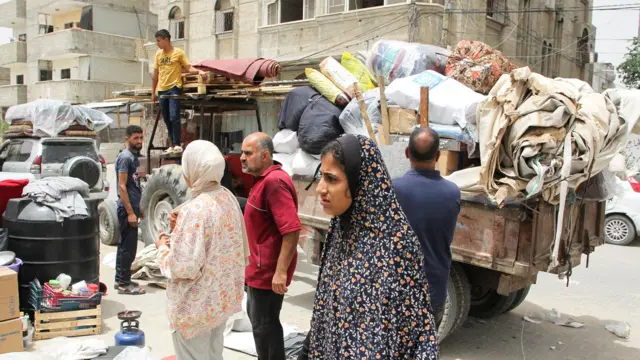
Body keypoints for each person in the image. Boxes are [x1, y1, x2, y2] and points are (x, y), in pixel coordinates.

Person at [307, 134, 439, 359]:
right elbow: (324, 308)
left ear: (362, 181)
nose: (320, 188)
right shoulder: (339, 230)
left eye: (331, 179)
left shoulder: (396, 244)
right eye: (321, 177)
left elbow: (419, 334)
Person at [156, 140, 248, 360]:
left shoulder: (195, 210)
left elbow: (183, 267)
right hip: (219, 300)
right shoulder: (227, 196)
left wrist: (163, 248)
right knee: (214, 354)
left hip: (195, 308)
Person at [241, 132, 301, 360]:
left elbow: (292, 229)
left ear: (265, 155)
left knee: (265, 328)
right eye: (243, 153)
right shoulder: (262, 180)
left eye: (248, 153)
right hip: (257, 270)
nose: (242, 158)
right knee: (262, 326)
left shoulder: (274, 182)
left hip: (268, 274)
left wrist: (280, 272)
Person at [392, 128, 461, 317]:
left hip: (397, 291)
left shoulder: (393, 189)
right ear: (438, 155)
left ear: (407, 153)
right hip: (433, 291)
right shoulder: (452, 193)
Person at [152, 29, 208, 155]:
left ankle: (177, 144)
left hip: (174, 88)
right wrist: (153, 92)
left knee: (174, 116)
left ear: (166, 40)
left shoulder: (178, 53)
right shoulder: (158, 55)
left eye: (159, 41)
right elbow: (155, 74)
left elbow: (188, 67)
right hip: (161, 89)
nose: (157, 44)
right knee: (166, 118)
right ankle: (172, 144)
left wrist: (199, 71)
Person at [115, 125, 146, 295]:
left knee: (124, 246)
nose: (139, 141)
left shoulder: (135, 158)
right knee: (128, 247)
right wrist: (130, 212)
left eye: (141, 138)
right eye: (135, 138)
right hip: (126, 209)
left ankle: (120, 279)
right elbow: (122, 186)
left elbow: (135, 185)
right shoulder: (125, 158)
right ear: (127, 139)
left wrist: (138, 208)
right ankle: (124, 285)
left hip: (132, 206)